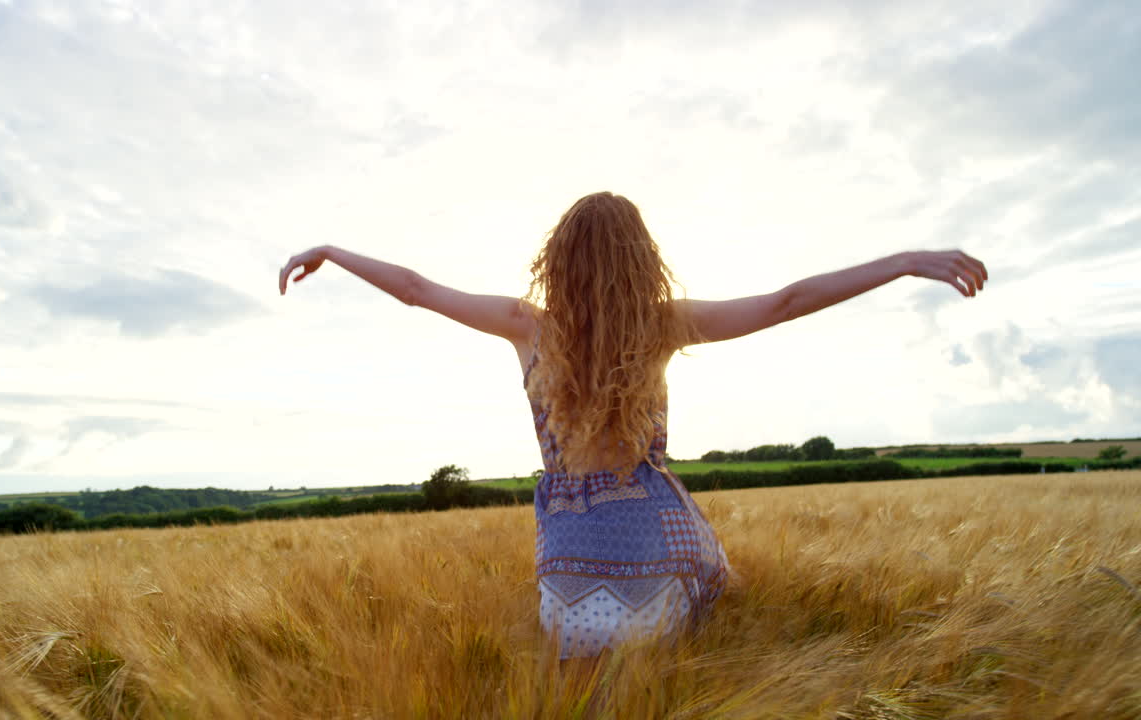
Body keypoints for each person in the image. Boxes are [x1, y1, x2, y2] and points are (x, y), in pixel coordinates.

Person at [278, 191, 987, 659]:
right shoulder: (668, 325)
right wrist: (901, 263)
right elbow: (786, 301)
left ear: (557, 262)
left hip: (571, 550)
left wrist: (334, 251)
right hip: (661, 535)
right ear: (641, 260)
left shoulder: (527, 328)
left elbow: (415, 290)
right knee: (701, 647)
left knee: (578, 691)